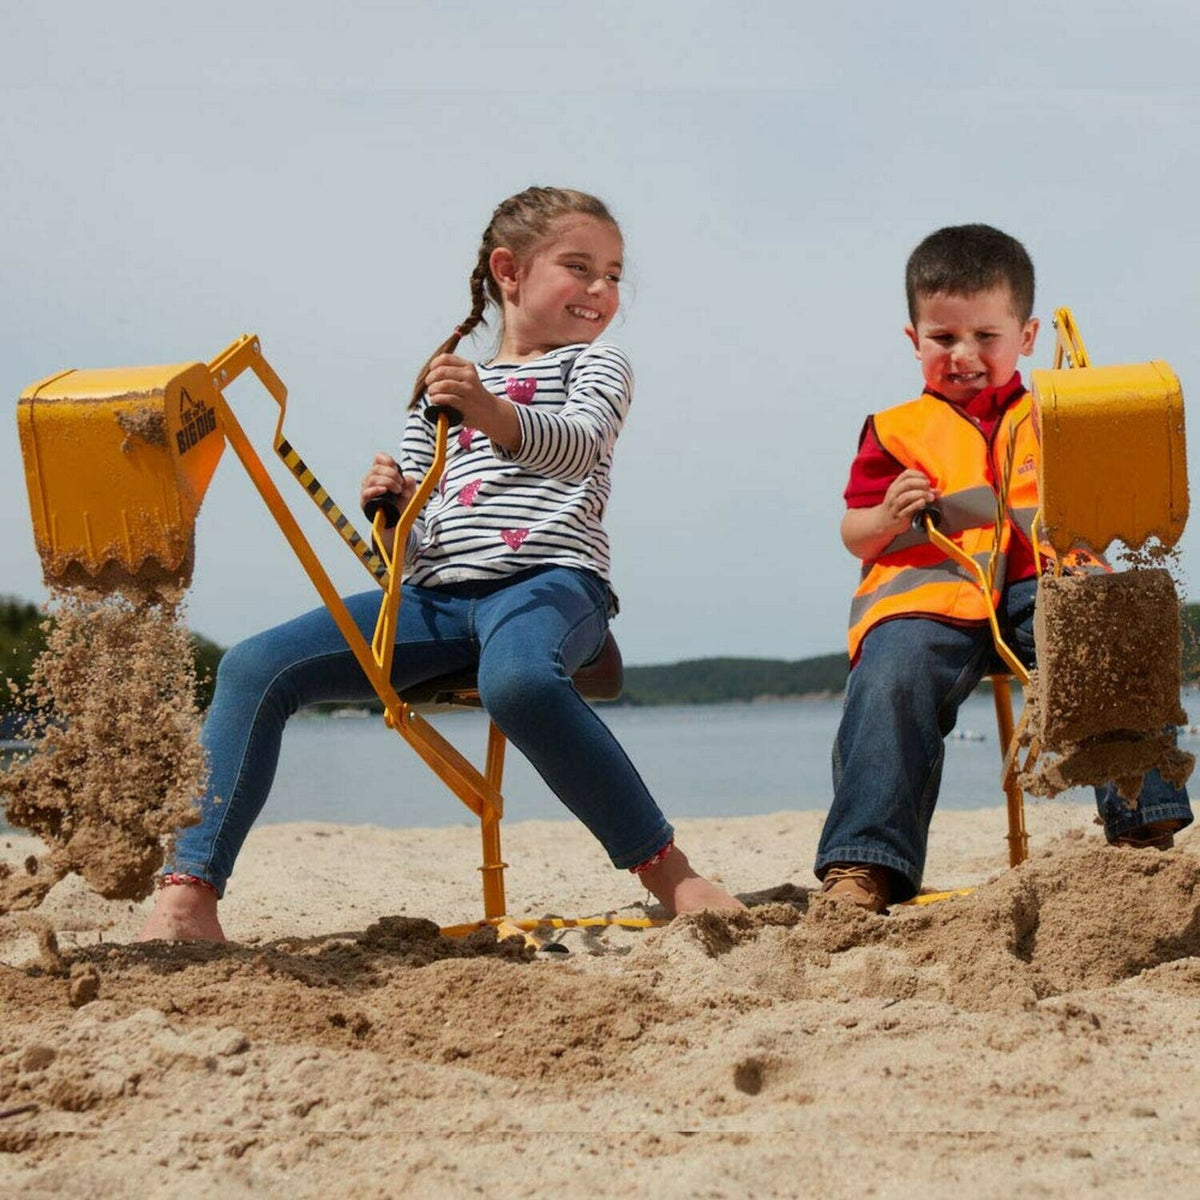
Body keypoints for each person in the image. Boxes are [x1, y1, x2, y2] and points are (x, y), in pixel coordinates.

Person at [140, 186, 743, 942]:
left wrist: (490, 412)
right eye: (581, 267)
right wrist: (388, 508)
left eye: (614, 275)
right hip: (433, 597)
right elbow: (406, 546)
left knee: (519, 681)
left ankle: (668, 872)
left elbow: (578, 447)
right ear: (509, 271)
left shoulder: (597, 364)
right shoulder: (442, 379)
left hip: (553, 583)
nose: (602, 290)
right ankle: (189, 892)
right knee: (253, 667)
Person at [815, 223, 1193, 913]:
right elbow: (855, 534)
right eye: (943, 338)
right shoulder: (894, 428)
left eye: (985, 337)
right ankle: (864, 864)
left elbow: (1119, 499)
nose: (963, 355)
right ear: (913, 339)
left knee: (1111, 634)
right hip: (929, 601)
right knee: (892, 678)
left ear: (1025, 336)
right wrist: (889, 516)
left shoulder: (1061, 412)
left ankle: (1148, 831)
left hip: (1046, 585)